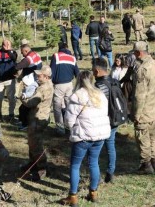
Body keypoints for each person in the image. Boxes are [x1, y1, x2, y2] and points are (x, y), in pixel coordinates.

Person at [60, 71, 111, 206]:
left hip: (83, 136)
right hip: (99, 135)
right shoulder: (100, 95)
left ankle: (73, 196)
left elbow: (68, 120)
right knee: (94, 163)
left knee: (75, 165)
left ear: (79, 81)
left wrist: (72, 130)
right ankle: (93, 192)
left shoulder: (77, 96)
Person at [129, 41, 155, 175]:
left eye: (135, 53)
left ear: (139, 52)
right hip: (154, 108)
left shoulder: (142, 69)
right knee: (153, 136)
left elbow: (139, 95)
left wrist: (136, 114)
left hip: (144, 110)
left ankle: (146, 165)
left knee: (142, 138)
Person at [92, 58, 125, 184]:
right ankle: (110, 172)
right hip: (115, 119)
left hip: (102, 121)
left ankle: (97, 175)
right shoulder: (115, 81)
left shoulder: (98, 86)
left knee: (96, 149)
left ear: (97, 70)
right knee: (111, 146)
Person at [20, 65, 54, 182]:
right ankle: (33, 164)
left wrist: (22, 98)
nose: (37, 77)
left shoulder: (44, 88)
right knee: (32, 142)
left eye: (39, 75)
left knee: (36, 144)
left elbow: (32, 103)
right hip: (38, 117)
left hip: (38, 119)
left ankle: (42, 168)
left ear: (46, 76)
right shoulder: (45, 85)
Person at [51, 42, 79, 136]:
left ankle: (60, 128)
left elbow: (52, 71)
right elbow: (77, 73)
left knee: (57, 107)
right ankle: (70, 127)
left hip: (59, 85)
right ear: (67, 48)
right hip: (69, 84)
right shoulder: (72, 58)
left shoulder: (56, 56)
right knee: (69, 106)